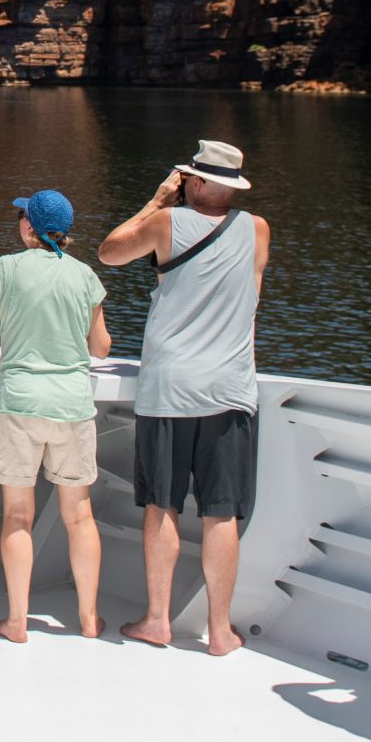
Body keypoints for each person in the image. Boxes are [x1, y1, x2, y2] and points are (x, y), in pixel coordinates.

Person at [96, 140, 269, 656]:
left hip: (171, 388)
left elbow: (109, 251)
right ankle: (219, 631)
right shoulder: (257, 229)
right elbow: (253, 295)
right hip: (231, 388)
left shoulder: (166, 222)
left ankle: (157, 620)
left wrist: (156, 199)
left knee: (163, 506)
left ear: (193, 181)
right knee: (222, 513)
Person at [0, 190, 111, 643]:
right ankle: (88, 619)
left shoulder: (7, 268)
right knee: (79, 516)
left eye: (20, 216)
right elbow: (101, 347)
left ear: (29, 227)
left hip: (19, 403)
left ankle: (16, 622)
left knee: (17, 517)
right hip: (70, 405)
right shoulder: (86, 276)